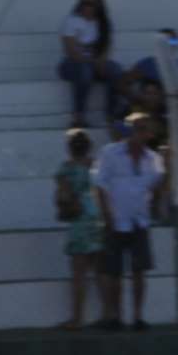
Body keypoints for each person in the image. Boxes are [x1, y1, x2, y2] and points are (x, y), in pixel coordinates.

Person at [93, 111, 167, 332]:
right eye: (135, 128)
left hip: (139, 220)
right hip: (115, 219)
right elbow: (99, 184)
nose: (139, 133)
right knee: (113, 272)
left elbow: (158, 187)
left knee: (138, 271)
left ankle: (137, 317)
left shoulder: (153, 159)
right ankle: (115, 316)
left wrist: (169, 166)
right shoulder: (109, 153)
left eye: (144, 128)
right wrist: (106, 214)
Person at [53, 129, 104, 331]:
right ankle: (108, 314)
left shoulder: (66, 169)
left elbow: (63, 197)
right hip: (97, 218)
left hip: (79, 220)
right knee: (100, 271)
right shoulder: (96, 167)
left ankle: (77, 318)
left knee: (79, 274)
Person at [115, 29, 178, 128]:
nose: (171, 44)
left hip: (174, 106)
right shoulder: (148, 64)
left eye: (175, 41)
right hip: (148, 108)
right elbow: (122, 83)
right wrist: (136, 99)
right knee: (126, 121)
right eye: (167, 41)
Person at [56, 0, 122, 127]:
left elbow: (106, 48)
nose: (86, 6)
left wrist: (101, 61)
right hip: (72, 64)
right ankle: (78, 116)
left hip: (95, 62)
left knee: (116, 71)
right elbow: (71, 52)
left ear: (97, 3)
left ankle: (111, 115)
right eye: (83, 3)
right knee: (85, 72)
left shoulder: (103, 23)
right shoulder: (71, 21)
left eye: (90, 3)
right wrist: (93, 62)